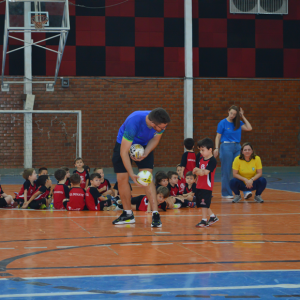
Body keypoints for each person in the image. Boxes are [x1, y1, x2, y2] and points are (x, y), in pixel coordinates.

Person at [111, 108, 170, 227]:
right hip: (125, 144)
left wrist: (146, 152)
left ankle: (155, 214)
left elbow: (155, 139)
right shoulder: (134, 123)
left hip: (144, 145)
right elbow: (124, 152)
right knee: (122, 178)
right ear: (153, 123)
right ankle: (127, 214)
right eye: (162, 127)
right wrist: (132, 173)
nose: (164, 129)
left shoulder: (159, 121)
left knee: (147, 178)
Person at [214, 105, 252, 199]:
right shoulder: (222, 123)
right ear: (228, 111)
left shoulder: (238, 123)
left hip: (238, 147)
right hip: (226, 146)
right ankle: (226, 193)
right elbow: (218, 136)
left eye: (235, 114)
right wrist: (216, 148)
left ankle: (246, 191)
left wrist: (242, 116)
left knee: (241, 169)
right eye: (231, 113)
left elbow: (249, 128)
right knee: (226, 170)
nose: (232, 115)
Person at [193, 138, 219, 228]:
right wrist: (199, 171)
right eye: (200, 150)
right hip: (199, 184)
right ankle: (212, 216)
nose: (201, 152)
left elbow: (205, 172)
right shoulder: (200, 158)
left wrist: (199, 171)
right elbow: (196, 169)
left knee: (204, 204)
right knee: (202, 203)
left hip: (207, 186)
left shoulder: (212, 161)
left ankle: (204, 220)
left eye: (202, 150)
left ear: (210, 149)